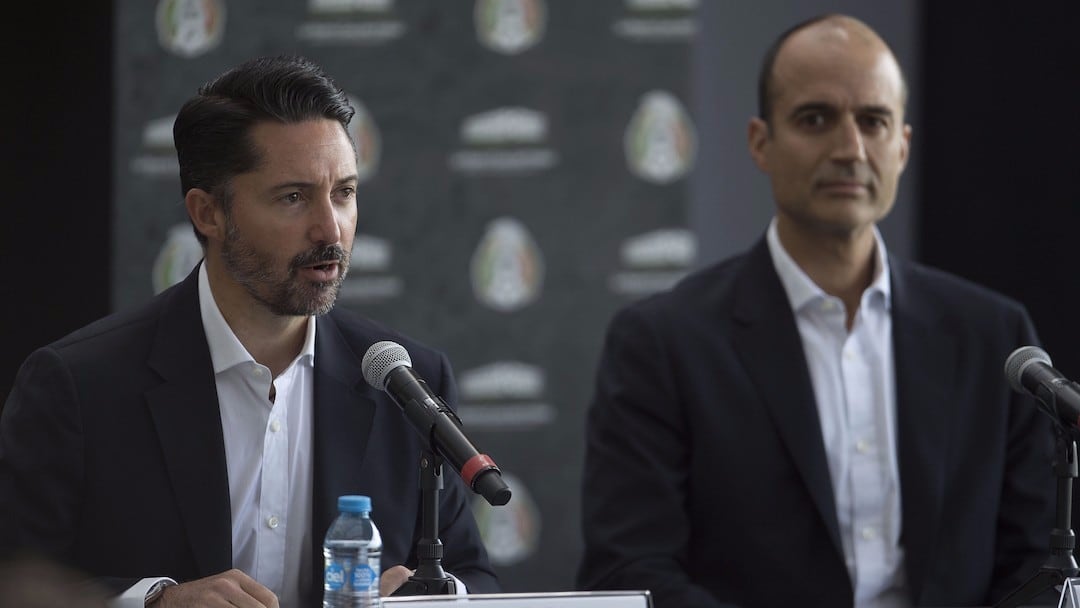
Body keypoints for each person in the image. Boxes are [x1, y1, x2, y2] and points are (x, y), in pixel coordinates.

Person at [578, 14, 1056, 608]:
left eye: (873, 121)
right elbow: (630, 569)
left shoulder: (995, 339)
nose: (850, 149)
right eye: (816, 119)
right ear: (761, 142)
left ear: (902, 146)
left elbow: (1038, 562)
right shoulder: (662, 343)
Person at [0, 55, 498, 607]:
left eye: (344, 193)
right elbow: (16, 583)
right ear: (208, 213)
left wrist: (434, 596)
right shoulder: (78, 385)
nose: (329, 229)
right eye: (293, 197)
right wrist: (153, 603)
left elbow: (473, 574)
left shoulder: (408, 382)